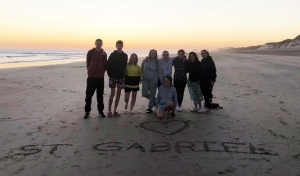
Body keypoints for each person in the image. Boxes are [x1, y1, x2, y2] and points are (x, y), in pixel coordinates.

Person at [84, 39, 107, 119]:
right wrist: (90, 71)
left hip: (100, 77)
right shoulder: (90, 52)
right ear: (95, 44)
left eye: (100, 43)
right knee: (88, 95)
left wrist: (101, 72)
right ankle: (87, 111)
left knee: (100, 95)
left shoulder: (104, 54)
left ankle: (100, 111)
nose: (98, 44)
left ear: (102, 44)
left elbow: (105, 65)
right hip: (91, 77)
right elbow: (88, 63)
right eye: (97, 43)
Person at [106, 40, 128, 117]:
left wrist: (124, 77)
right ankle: (109, 110)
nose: (119, 47)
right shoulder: (112, 54)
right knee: (112, 94)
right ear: (116, 46)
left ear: (122, 46)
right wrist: (110, 75)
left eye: (120, 45)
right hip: (112, 77)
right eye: (118, 46)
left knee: (118, 94)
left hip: (121, 78)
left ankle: (115, 110)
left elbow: (125, 67)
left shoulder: (125, 55)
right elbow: (108, 65)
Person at [199, 50, 217, 114]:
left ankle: (209, 106)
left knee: (208, 93)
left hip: (209, 80)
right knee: (204, 92)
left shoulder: (210, 61)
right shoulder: (202, 61)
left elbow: (214, 71)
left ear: (207, 54)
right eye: (202, 54)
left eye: (204, 53)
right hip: (202, 80)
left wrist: (213, 80)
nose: (203, 54)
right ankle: (207, 104)